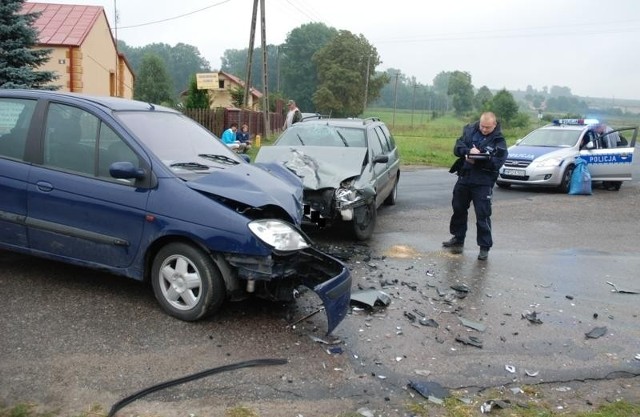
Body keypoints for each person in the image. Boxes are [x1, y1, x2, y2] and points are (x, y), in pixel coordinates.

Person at [442, 112, 508, 260]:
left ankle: (484, 247)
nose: (484, 129)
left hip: (483, 181)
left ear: (494, 125)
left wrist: (481, 157)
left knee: (482, 215)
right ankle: (458, 238)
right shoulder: (470, 131)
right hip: (465, 176)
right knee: (458, 208)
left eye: (488, 127)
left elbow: (497, 162)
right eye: (482, 126)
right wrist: (468, 152)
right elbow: (457, 147)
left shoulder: (499, 141)